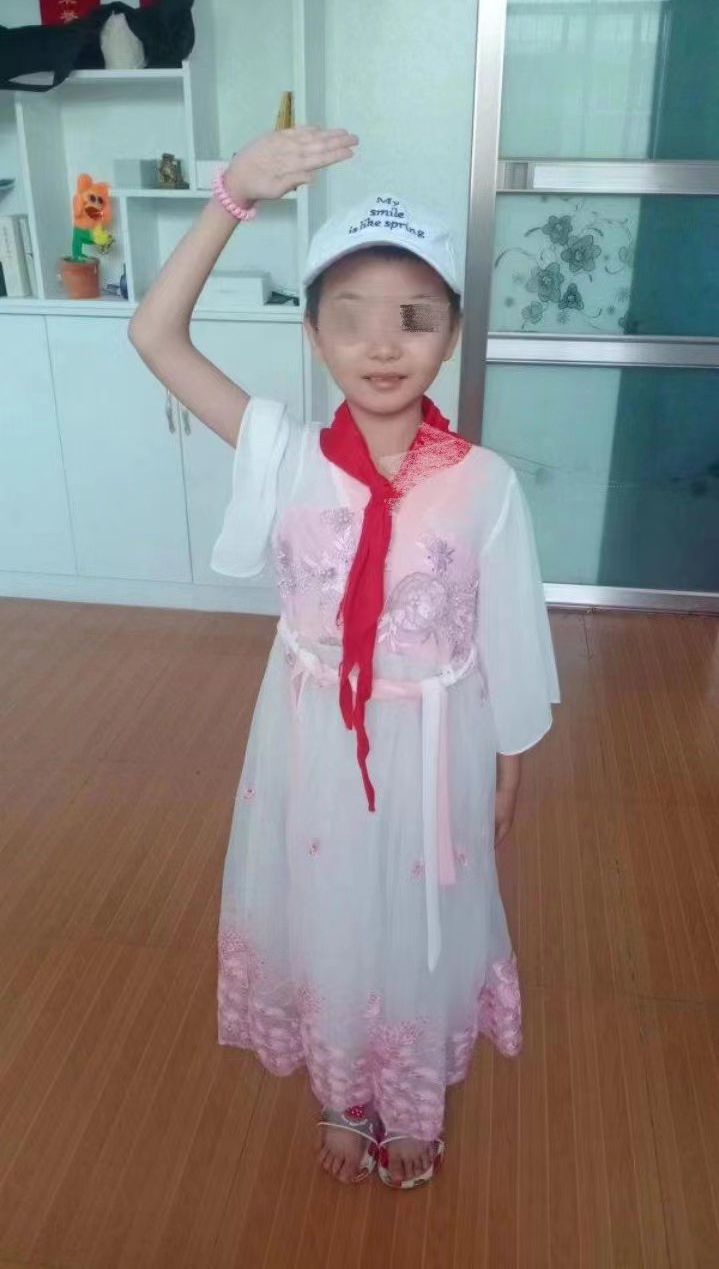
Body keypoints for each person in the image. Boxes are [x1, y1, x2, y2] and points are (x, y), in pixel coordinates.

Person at [129, 126, 561, 1191]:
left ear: (451, 334)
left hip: (435, 741)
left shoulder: (484, 482)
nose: (382, 344)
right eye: (351, 317)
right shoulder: (281, 454)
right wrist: (231, 197)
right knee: (325, 906)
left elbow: (509, 624)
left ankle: (408, 1098)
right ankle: (341, 1089)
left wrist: (508, 758)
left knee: (420, 917)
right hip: (312, 735)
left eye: (414, 317)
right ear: (314, 336)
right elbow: (154, 333)